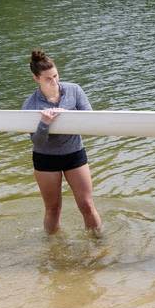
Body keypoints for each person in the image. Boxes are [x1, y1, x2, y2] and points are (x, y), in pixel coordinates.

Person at [22, 49, 102, 234]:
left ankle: (98, 245)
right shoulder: (30, 104)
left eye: (56, 76)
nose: (54, 81)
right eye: (48, 78)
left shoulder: (74, 90)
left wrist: (69, 116)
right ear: (36, 78)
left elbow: (91, 120)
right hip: (45, 158)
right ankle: (52, 248)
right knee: (53, 209)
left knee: (87, 205)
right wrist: (44, 124)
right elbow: (37, 142)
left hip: (74, 154)